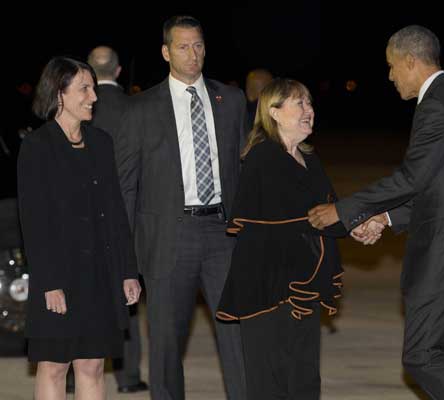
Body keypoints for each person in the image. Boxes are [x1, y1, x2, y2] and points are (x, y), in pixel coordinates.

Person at [308, 25, 444, 399]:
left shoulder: (438, 106)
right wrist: (384, 219)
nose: (390, 75)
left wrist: (344, 210)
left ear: (410, 61)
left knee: (421, 356)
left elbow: (412, 179)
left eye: (391, 66)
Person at [114, 16, 247, 400]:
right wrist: (126, 259)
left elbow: (247, 169)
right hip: (169, 239)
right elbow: (126, 187)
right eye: (184, 46)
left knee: (237, 335)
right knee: (166, 344)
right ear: (166, 51)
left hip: (224, 235)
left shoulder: (232, 101)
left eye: (199, 45)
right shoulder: (139, 109)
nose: (193, 54)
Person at [17, 56, 141, 400]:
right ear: (59, 93)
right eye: (84, 88)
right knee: (55, 366)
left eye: (94, 88)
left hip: (100, 274)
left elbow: (116, 212)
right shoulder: (37, 147)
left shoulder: (101, 142)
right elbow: (34, 221)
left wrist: (128, 271)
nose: (93, 97)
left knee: (92, 365)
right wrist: (49, 282)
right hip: (59, 276)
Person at [216, 78, 343, 400]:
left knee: (303, 377)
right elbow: (288, 218)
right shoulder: (262, 157)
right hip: (267, 287)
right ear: (273, 111)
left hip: (303, 284)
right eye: (299, 103)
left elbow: (330, 211)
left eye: (310, 103)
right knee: (269, 380)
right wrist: (343, 218)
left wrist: (356, 222)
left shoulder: (310, 158)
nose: (309, 110)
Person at [86, 45, 148, 394]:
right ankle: (128, 377)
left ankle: (68, 371)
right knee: (129, 299)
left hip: (88, 217)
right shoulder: (135, 108)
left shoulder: (82, 109)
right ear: (119, 71)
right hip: (130, 218)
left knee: (80, 294)